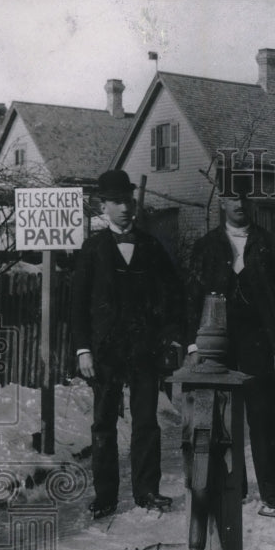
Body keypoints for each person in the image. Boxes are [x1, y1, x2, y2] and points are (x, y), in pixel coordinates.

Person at [72, 169, 184, 519]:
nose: (124, 208)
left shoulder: (151, 247)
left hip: (143, 351)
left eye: (128, 201)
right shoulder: (92, 249)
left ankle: (147, 491)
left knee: (146, 421)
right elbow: (77, 304)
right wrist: (83, 348)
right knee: (104, 423)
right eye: (117, 202)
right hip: (105, 351)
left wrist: (170, 336)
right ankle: (105, 496)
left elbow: (174, 296)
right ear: (103, 206)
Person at [184, 181, 275, 515]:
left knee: (262, 415)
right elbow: (192, 297)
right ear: (222, 201)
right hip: (216, 342)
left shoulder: (268, 243)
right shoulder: (206, 246)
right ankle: (233, 487)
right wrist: (194, 343)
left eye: (245, 197)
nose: (239, 204)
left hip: (256, 340)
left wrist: (261, 303)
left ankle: (271, 493)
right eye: (232, 197)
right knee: (221, 417)